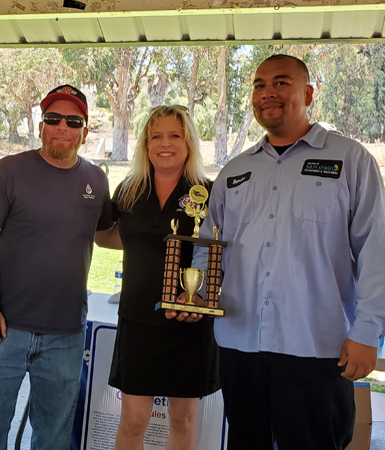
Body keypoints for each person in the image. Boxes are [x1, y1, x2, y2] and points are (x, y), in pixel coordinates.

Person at [188, 55, 385, 449]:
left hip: (315, 345)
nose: (268, 93)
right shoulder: (235, 171)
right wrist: (198, 291)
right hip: (240, 342)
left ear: (309, 93)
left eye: (281, 83)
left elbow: (377, 248)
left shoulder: (350, 160)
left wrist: (368, 331)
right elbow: (209, 246)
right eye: (259, 85)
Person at [0, 84, 113, 450]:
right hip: (3, 329)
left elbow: (108, 236)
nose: (63, 127)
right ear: (41, 125)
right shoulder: (9, 171)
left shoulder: (96, 179)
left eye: (73, 121)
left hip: (66, 334)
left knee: (53, 437)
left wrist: (162, 234)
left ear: (85, 131)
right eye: (53, 119)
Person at [95, 105, 219, 450]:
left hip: (190, 321)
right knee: (133, 421)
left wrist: (200, 295)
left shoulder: (207, 193)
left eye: (175, 135)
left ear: (189, 142)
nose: (165, 144)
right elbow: (106, 235)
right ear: (145, 145)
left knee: (183, 421)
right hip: (139, 320)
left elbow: (218, 252)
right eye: (156, 136)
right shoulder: (130, 189)